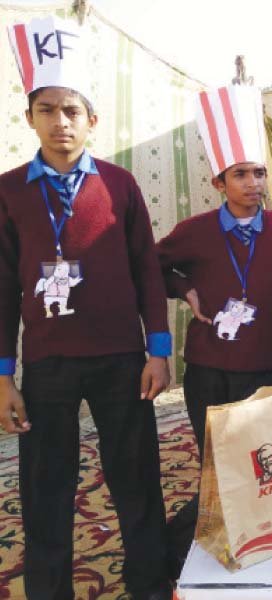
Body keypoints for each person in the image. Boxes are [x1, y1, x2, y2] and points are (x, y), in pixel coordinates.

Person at [0, 17, 172, 599]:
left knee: (136, 477)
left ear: (91, 119)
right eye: (47, 109)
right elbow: (1, 288)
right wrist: (3, 374)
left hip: (123, 358)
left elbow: (148, 270)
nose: (60, 121)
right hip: (48, 362)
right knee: (45, 485)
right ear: (30, 118)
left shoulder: (120, 186)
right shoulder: (8, 190)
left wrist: (159, 350)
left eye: (71, 110)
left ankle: (148, 583)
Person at [156, 85, 272, 574]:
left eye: (258, 173)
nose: (253, 183)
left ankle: (260, 544)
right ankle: (193, 549)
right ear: (219, 182)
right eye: (240, 174)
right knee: (215, 465)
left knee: (259, 464)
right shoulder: (194, 231)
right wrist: (184, 289)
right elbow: (150, 266)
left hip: (258, 370)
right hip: (207, 369)